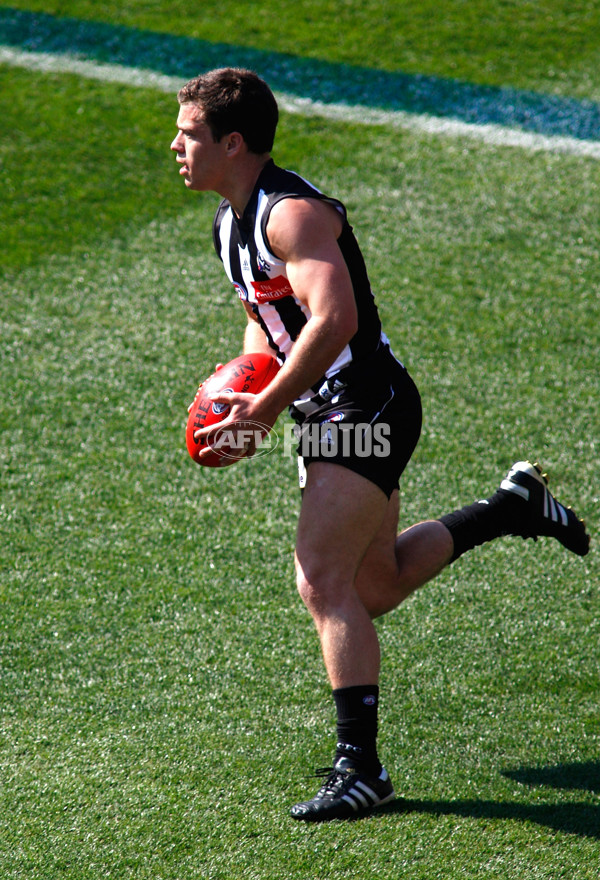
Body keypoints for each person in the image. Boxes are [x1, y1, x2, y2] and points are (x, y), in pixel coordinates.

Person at [170, 67, 590, 822]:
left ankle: (360, 771)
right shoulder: (229, 223)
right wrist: (243, 388)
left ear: (233, 143)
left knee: (322, 579)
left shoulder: (291, 216)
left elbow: (335, 320)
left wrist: (263, 411)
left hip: (366, 406)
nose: (177, 145)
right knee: (376, 585)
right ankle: (512, 506)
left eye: (191, 134)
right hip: (328, 409)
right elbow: (271, 326)